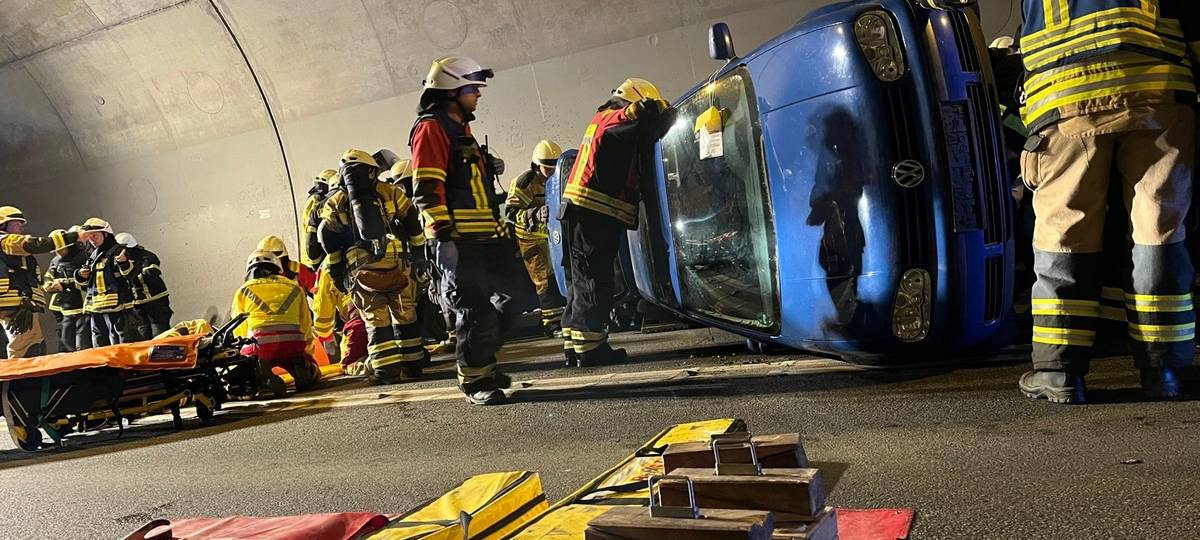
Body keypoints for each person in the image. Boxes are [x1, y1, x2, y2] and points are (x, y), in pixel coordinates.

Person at [1016, 0, 1199, 403]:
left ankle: (1059, 373)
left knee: (1066, 232)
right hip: (1160, 91)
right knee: (1160, 232)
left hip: (1068, 95)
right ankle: (1164, 371)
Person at [409, 55, 513, 405]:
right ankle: (474, 381)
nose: (477, 95)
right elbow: (426, 188)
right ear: (450, 91)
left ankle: (483, 360)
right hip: (457, 240)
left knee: (517, 298)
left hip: (485, 236)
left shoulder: (459, 128)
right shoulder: (431, 128)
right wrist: (442, 236)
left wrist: (487, 165)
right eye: (471, 89)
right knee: (475, 311)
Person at [560, 78, 676, 367]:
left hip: (579, 212)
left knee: (579, 281)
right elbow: (630, 116)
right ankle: (590, 350)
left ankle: (574, 345)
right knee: (594, 279)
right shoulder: (615, 116)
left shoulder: (598, 120)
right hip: (594, 213)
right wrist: (657, 110)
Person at [319, 148, 427, 385]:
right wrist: (419, 255)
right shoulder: (391, 192)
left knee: (375, 320)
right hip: (398, 265)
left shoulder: (336, 201)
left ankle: (386, 371)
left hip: (362, 271)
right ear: (372, 171)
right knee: (405, 313)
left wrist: (337, 271)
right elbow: (412, 221)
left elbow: (326, 236)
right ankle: (413, 366)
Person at [232, 250, 320, 396]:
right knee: (312, 370)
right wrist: (307, 352)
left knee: (247, 370)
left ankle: (260, 376)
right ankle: (303, 368)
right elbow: (306, 323)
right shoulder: (294, 287)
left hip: (260, 346)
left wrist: (241, 353)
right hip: (293, 344)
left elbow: (238, 327)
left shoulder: (243, 291)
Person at [506, 139, 567, 336]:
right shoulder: (525, 183)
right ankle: (552, 324)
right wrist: (534, 214)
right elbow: (510, 213)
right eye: (546, 168)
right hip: (531, 240)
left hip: (553, 237)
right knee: (544, 280)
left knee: (561, 275)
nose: (550, 173)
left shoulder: (559, 178)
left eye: (553, 168)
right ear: (536, 164)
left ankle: (566, 318)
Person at [0, 207, 80, 358]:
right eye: (17, 223)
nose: (21, 228)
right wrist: (74, 236)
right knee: (24, 345)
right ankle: (21, 379)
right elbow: (36, 244)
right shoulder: (6, 240)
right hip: (15, 303)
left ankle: (29, 378)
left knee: (34, 341)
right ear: (3, 225)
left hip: (20, 304)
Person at [75, 218, 139, 346]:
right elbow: (85, 285)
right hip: (96, 307)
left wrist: (124, 263)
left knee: (120, 336)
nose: (91, 239)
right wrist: (81, 275)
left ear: (105, 234)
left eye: (94, 235)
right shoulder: (93, 255)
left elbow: (131, 275)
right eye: (89, 236)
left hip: (117, 305)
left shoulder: (118, 251)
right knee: (98, 338)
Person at [115, 233, 173, 339]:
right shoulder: (120, 262)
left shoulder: (147, 257)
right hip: (138, 307)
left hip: (156, 303)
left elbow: (151, 275)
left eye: (120, 250)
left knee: (160, 336)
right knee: (143, 337)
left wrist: (129, 270)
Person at [43, 227, 91, 352]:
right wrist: (49, 286)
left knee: (83, 341)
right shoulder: (55, 261)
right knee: (66, 340)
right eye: (56, 250)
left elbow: (88, 280)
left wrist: (65, 286)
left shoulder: (83, 257)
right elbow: (48, 277)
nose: (58, 252)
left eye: (60, 249)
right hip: (65, 308)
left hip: (82, 305)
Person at [302, 168, 338, 272]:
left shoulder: (313, 198)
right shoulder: (317, 201)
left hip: (309, 255)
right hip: (313, 257)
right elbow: (313, 230)